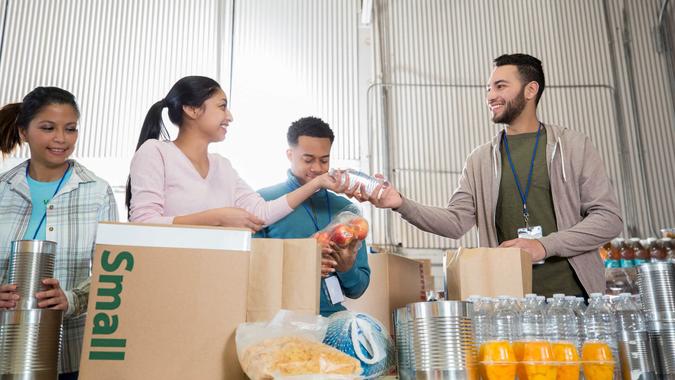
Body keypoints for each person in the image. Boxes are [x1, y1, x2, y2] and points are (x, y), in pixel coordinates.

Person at [353, 54, 623, 297]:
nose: (490, 96)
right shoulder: (480, 159)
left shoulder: (574, 146)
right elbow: (456, 222)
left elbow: (609, 219)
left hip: (576, 301)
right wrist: (401, 202)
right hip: (509, 304)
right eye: (488, 89)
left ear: (531, 90)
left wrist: (545, 245)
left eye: (500, 86)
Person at [0, 87, 118, 379]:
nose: (61, 139)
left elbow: (111, 272)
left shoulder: (98, 192)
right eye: (48, 128)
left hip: (69, 355)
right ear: (24, 132)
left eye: (71, 129)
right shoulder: (2, 189)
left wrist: (73, 299)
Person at [127, 76, 341, 228]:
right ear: (191, 109)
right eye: (222, 106)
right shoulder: (156, 152)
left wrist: (317, 183)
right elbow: (143, 223)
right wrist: (217, 218)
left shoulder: (222, 166)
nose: (229, 116)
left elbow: (262, 213)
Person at [255, 117, 370, 316]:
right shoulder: (263, 202)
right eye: (308, 160)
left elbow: (358, 289)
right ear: (289, 154)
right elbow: (251, 272)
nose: (317, 168)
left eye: (324, 160)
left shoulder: (346, 210)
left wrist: (346, 268)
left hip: (333, 321)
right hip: (279, 323)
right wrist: (300, 265)